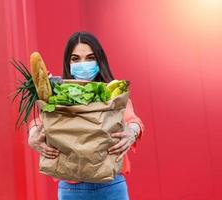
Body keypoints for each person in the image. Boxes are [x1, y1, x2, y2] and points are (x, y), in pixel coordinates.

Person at [28, 32, 144, 200]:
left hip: (111, 186)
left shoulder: (113, 92)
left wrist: (132, 132)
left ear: (99, 60)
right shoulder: (59, 93)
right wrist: (32, 132)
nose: (83, 64)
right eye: (75, 59)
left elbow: (133, 120)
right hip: (71, 189)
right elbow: (43, 119)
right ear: (68, 63)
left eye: (90, 57)